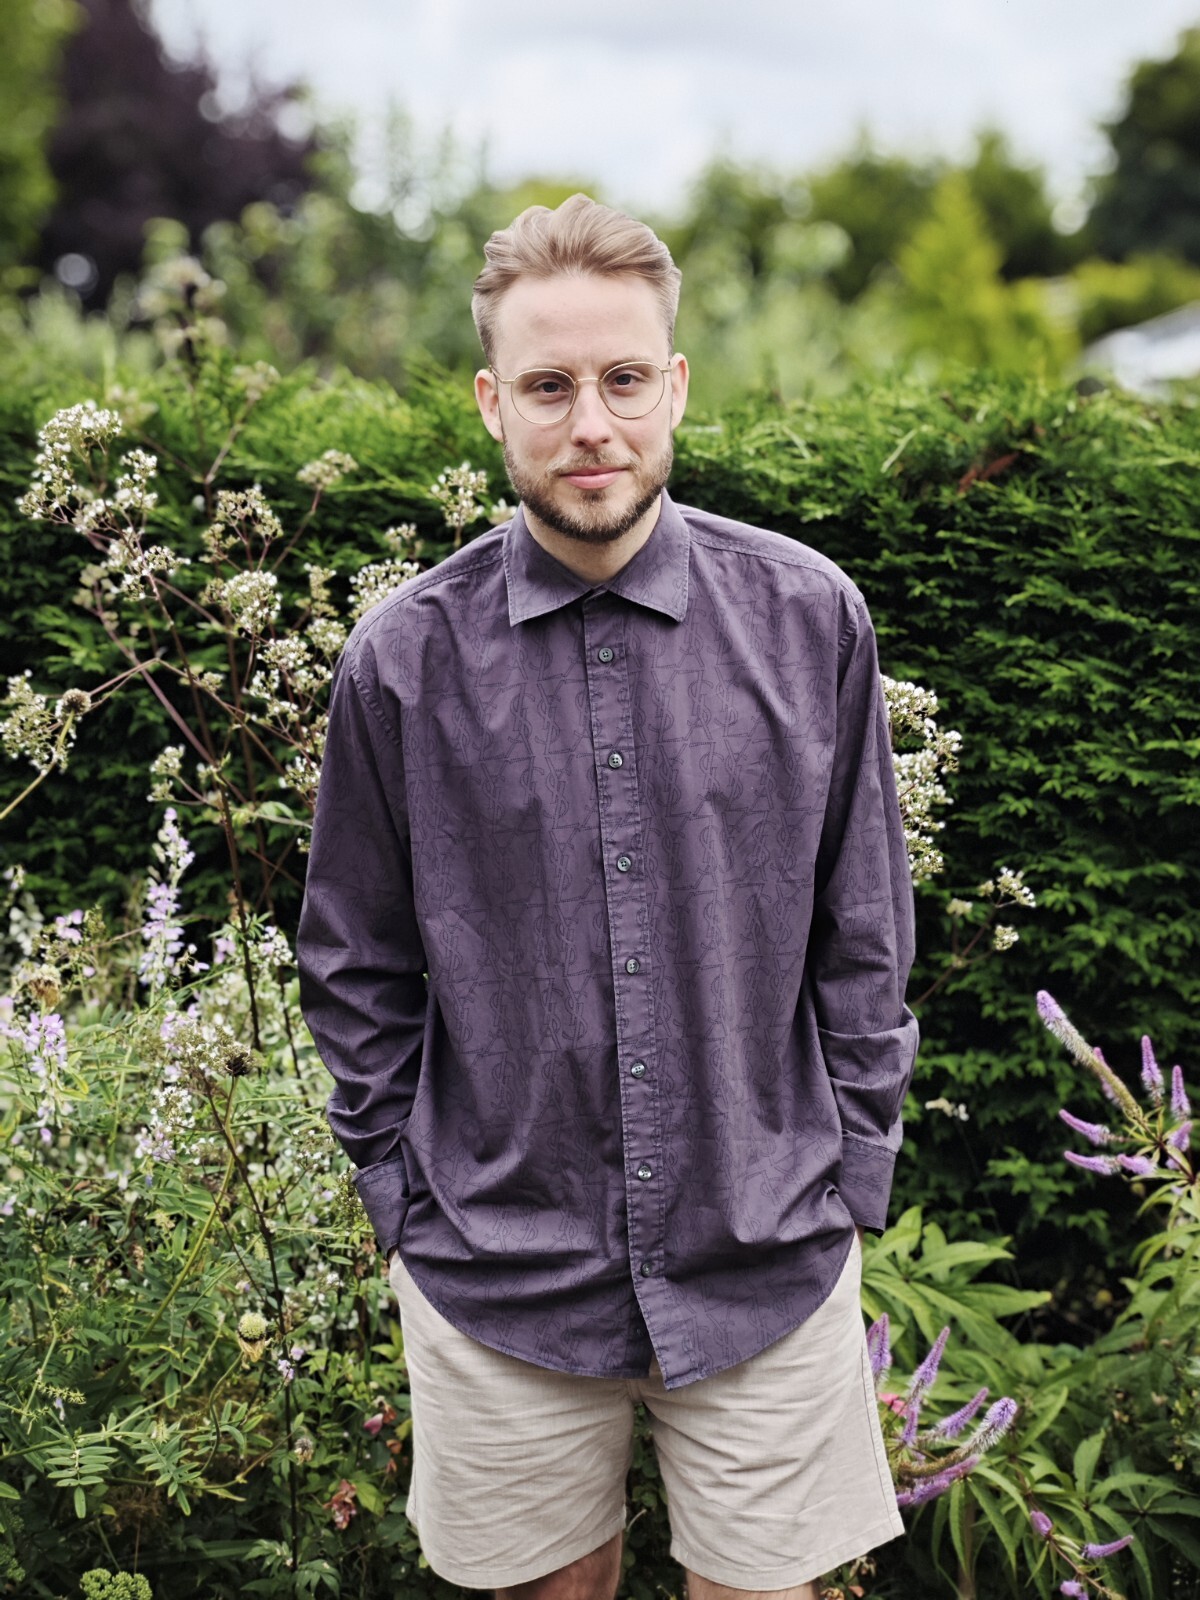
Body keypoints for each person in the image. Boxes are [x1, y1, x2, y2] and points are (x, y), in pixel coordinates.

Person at [297, 193, 919, 1600]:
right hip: (497, 1275)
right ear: (492, 403)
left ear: (675, 385)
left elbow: (865, 933)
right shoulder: (401, 664)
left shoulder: (811, 621)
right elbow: (354, 957)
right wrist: (400, 1196)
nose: (593, 424)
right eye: (550, 386)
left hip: (770, 1253)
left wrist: (852, 1176)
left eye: (625, 379)